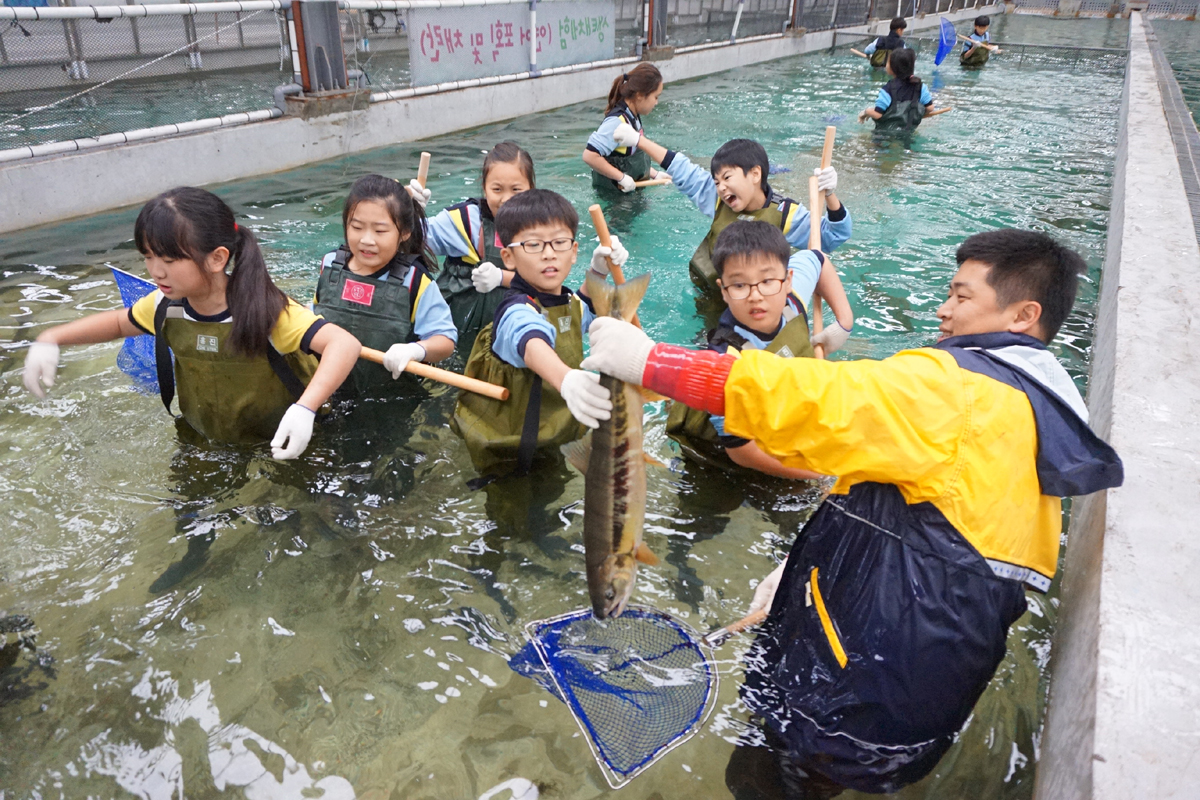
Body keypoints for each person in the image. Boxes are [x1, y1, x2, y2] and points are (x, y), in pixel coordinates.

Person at [580, 229, 1123, 797]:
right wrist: (803, 568)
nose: (943, 309)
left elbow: (818, 399)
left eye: (962, 297)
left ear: (1022, 314)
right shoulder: (1027, 402)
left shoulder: (960, 389)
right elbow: (921, 499)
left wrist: (653, 363)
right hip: (911, 682)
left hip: (856, 687)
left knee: (768, 781)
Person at [23, 186, 361, 461]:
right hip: (205, 439)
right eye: (148, 256)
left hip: (285, 439)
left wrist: (305, 410)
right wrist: (52, 336)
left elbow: (344, 345)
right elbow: (116, 324)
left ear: (217, 258)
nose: (156, 271)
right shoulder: (163, 306)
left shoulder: (267, 310)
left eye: (169, 259)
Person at [451, 189, 622, 478]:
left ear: (575, 251)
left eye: (559, 242)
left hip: (551, 434)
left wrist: (598, 272)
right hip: (511, 452)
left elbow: (578, 314)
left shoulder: (563, 300)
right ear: (508, 257)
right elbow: (531, 340)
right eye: (533, 244)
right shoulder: (514, 310)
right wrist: (565, 378)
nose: (549, 253)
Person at [666, 221, 852, 479]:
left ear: (787, 280)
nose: (756, 295)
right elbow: (742, 452)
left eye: (766, 280)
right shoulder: (725, 362)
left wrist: (844, 325)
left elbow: (817, 259)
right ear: (723, 291)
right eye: (740, 285)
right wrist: (817, 473)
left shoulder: (793, 301)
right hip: (719, 460)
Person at [609, 125, 851, 302]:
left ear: (755, 174)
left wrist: (830, 194)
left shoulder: (786, 214)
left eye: (727, 178)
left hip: (754, 309)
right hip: (710, 297)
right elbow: (683, 170)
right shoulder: (717, 199)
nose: (721, 187)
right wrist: (639, 141)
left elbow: (832, 237)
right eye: (716, 181)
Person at [314, 174, 457, 396]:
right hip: (328, 386)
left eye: (380, 231)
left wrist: (416, 350)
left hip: (391, 395)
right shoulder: (330, 265)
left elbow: (445, 341)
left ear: (405, 232)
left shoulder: (415, 282)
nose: (367, 240)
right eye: (357, 227)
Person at [424, 142, 536, 356]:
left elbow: (547, 284)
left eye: (516, 190)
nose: (506, 199)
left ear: (531, 188)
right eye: (497, 189)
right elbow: (402, 241)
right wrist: (406, 210)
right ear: (484, 188)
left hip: (510, 337)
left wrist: (500, 277)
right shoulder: (464, 221)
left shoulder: (543, 227)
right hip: (454, 335)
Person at [582, 63, 667, 192]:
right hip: (615, 199)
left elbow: (630, 159)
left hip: (631, 193)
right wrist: (621, 178)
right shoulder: (616, 122)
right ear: (639, 95)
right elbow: (589, 155)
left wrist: (654, 174)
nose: (656, 102)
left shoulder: (633, 116)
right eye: (655, 97)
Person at [857, 47, 937, 131]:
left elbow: (878, 114)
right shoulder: (920, 87)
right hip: (908, 133)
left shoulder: (888, 89)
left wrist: (866, 112)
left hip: (884, 137)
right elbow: (930, 108)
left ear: (893, 67)